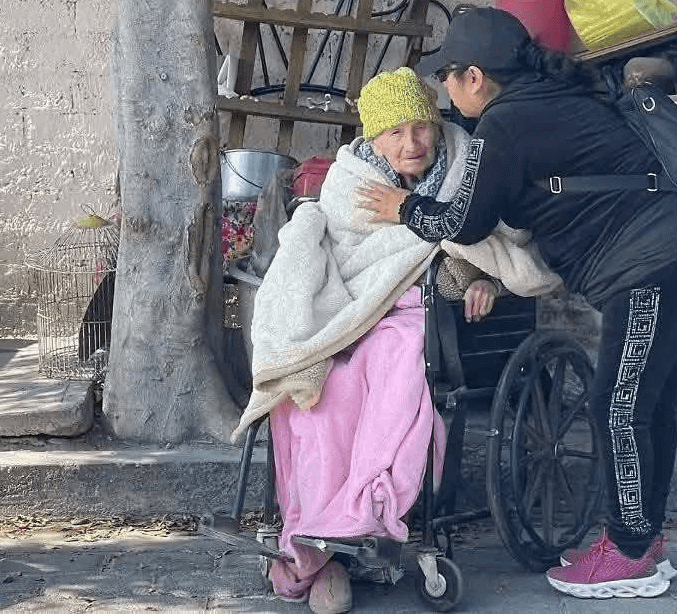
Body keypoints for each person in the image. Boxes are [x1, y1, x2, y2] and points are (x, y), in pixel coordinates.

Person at [357, 7, 677, 600]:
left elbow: (465, 222)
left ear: (474, 77)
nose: (446, 93)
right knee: (648, 403)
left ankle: (629, 553)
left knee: (618, 407)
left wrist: (403, 208)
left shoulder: (504, 124)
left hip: (655, 268)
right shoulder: (558, 93)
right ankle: (642, 541)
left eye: (447, 78)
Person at [231, 67, 561, 614]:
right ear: (373, 137)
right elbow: (345, 257)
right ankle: (319, 545)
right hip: (350, 311)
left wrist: (485, 278)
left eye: (421, 127)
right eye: (395, 133)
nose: (412, 143)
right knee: (315, 394)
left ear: (435, 123)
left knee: (394, 361)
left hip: (418, 316)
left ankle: (362, 515)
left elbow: (495, 239)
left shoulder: (467, 169)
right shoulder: (351, 182)